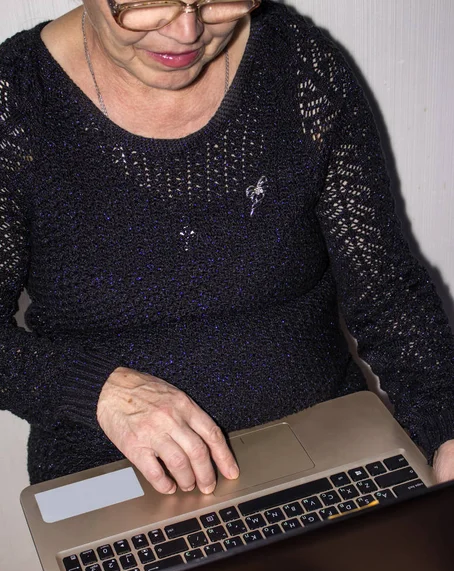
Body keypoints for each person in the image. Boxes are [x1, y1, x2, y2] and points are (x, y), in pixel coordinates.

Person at [0, 0, 453, 494]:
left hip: (325, 446)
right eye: (148, 3)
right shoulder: (16, 101)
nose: (187, 30)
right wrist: (97, 392)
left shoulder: (298, 64)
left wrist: (446, 427)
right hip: (109, 473)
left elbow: (386, 290)